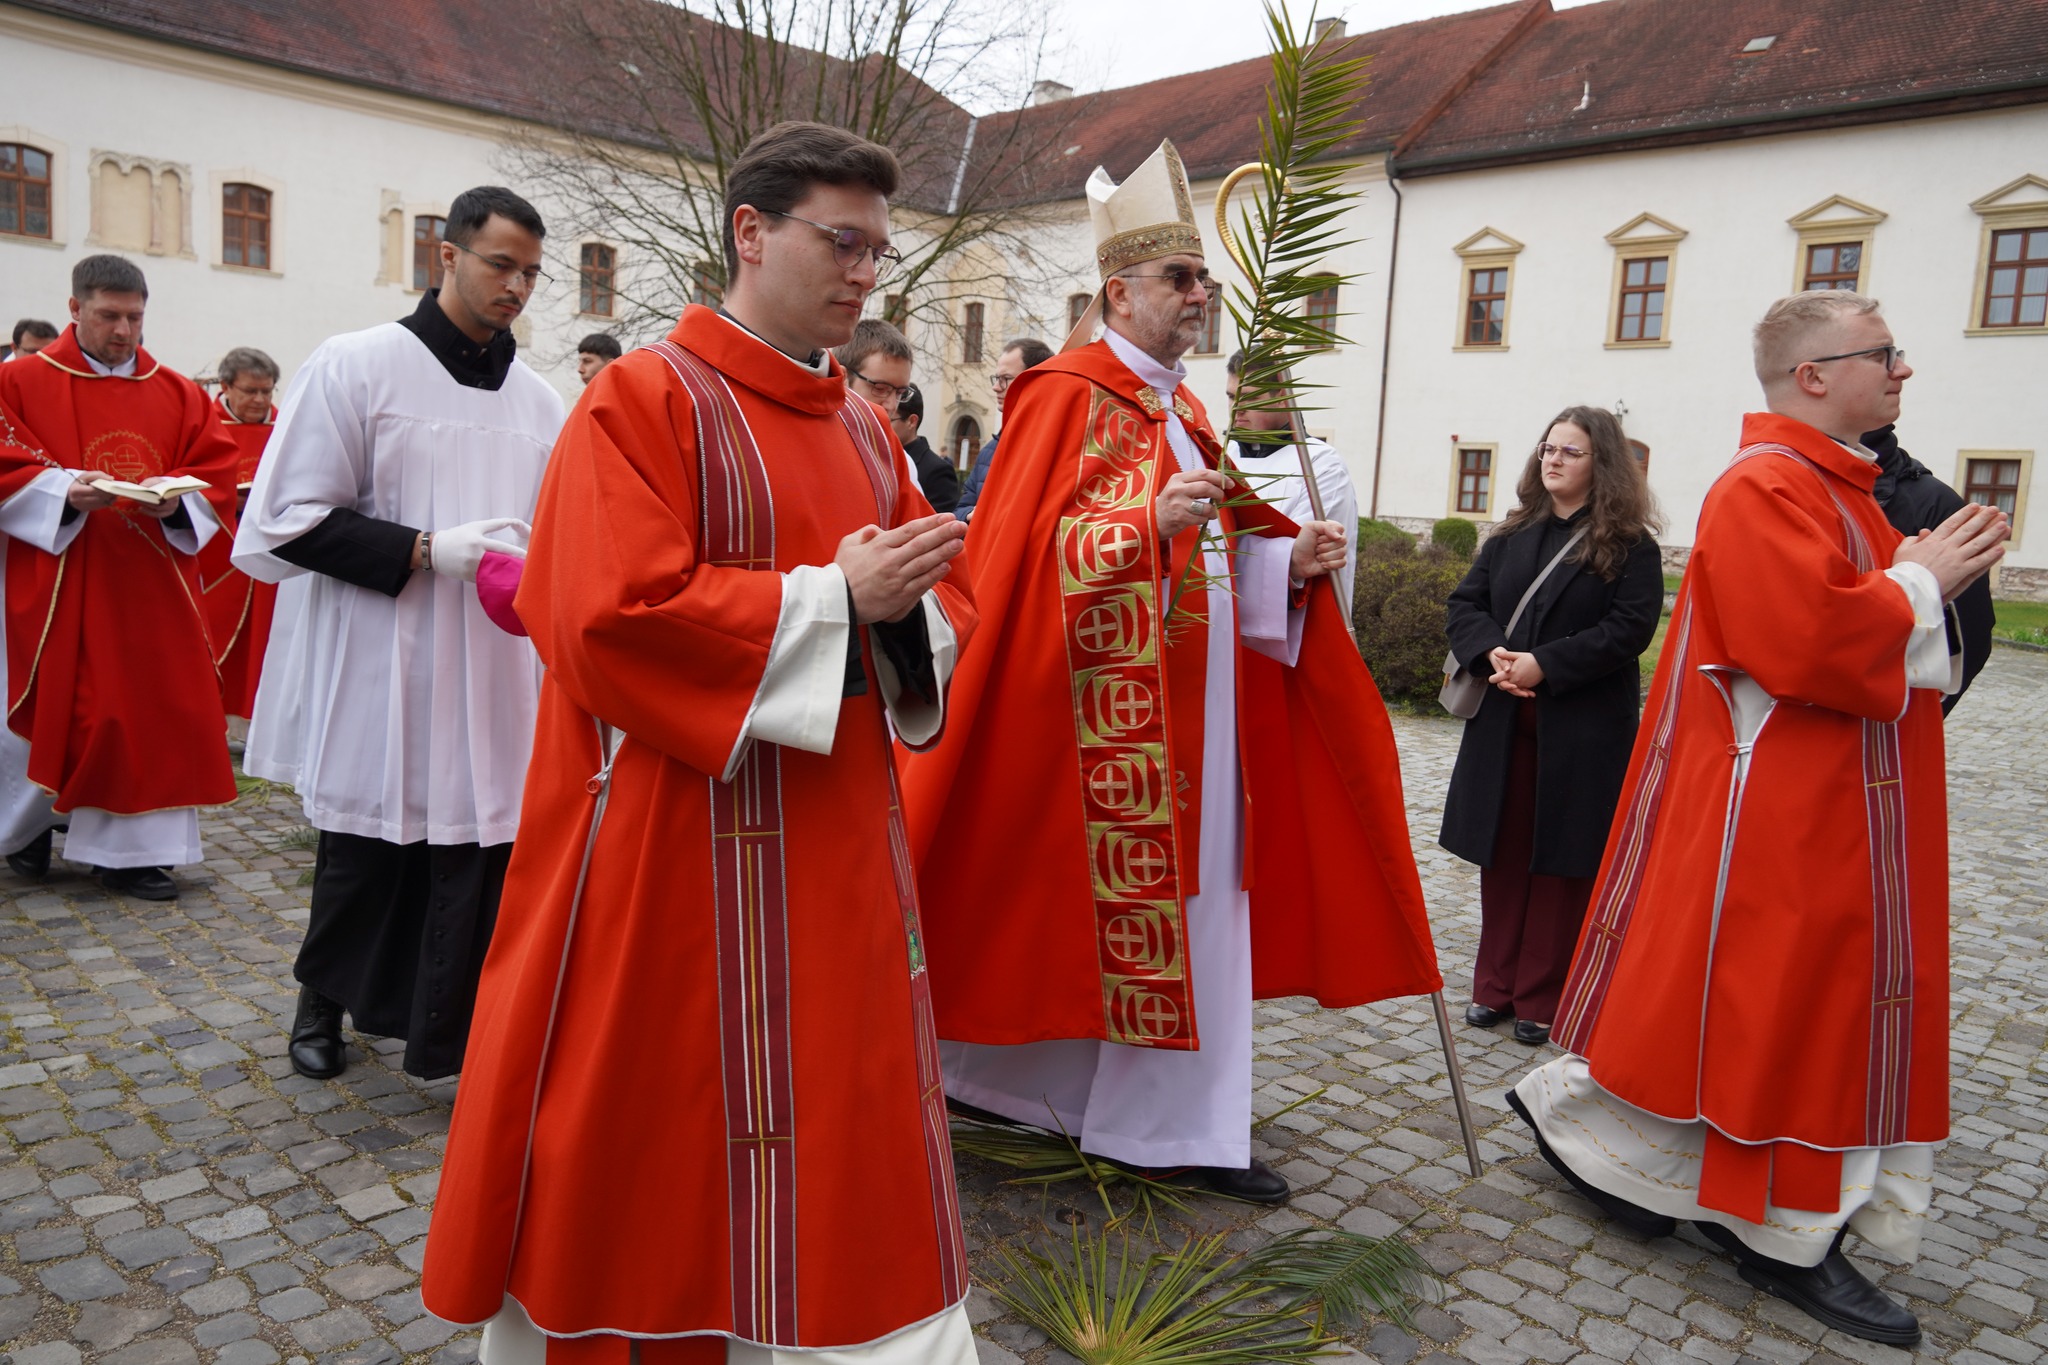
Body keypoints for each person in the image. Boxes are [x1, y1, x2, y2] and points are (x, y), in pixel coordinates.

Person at [421, 122, 979, 1364]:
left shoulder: (865, 431)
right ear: (750, 232)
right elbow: (599, 616)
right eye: (841, 243)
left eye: (877, 253)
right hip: (673, 851)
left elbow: (946, 597)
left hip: (834, 853)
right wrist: (831, 600)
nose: (863, 274)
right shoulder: (644, 398)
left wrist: (894, 609)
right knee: (656, 1134)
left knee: (836, 1129)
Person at [900, 138, 1441, 1204]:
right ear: (1118, 291)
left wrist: (1287, 561)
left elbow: (1218, 553)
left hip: (1197, 717)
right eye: (1179, 277)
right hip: (1098, 725)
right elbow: (1014, 559)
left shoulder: (1185, 413)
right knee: (1101, 913)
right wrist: (1140, 525)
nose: (1199, 296)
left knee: (1193, 914)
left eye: (1202, 279)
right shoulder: (1062, 395)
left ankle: (1106, 1105)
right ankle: (1124, 1116)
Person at [1512, 291, 2007, 1346]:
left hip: (1843, 794)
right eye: (1883, 353)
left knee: (1787, 1005)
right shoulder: (1764, 485)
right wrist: (1919, 583)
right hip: (1785, 804)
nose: (1903, 370)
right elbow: (1800, 643)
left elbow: (1891, 633)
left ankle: (1641, 1166)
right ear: (1813, 376)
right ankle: (1779, 1230)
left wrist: (1935, 587)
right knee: (1786, 1006)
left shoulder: (1842, 484)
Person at [232, 186, 566, 1082]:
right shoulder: (357, 366)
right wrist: (425, 549)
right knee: (367, 844)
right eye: (501, 264)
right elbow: (287, 519)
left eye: (532, 273)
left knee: (477, 849)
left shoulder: (542, 404)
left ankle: (451, 1028)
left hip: (493, 664)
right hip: (386, 652)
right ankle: (320, 1002)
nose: (516, 286)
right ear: (446, 255)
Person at [0, 255, 241, 900]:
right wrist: (60, 492)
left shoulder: (178, 391)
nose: (124, 331)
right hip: (60, 575)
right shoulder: (19, 381)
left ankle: (133, 854)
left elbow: (215, 472)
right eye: (109, 316)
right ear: (75, 309)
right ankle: (30, 828)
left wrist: (177, 502)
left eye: (135, 317)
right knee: (69, 705)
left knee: (155, 707)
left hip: (154, 583)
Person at [1439, 406, 1662, 1047]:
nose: (1554, 459)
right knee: (1503, 856)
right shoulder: (1512, 533)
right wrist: (1492, 654)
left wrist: (1546, 664)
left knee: (1562, 864)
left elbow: (1629, 630)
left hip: (1582, 731)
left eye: (1570, 451)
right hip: (1503, 722)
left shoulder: (1631, 546)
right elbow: (1465, 604)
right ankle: (1494, 985)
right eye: (1548, 448)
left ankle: (1541, 995)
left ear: (1602, 464)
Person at [1864, 423, 1996, 714]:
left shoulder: (1931, 502)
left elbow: (1970, 636)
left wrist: (1917, 719)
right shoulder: (1784, 481)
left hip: (1892, 716)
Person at [1223, 349, 1358, 614]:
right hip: (1222, 615)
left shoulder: (1319, 463)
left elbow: (1305, 558)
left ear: (1283, 398)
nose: (1237, 409)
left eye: (1251, 397)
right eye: (1231, 397)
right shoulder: (1224, 457)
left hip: (1292, 619)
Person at [199, 346, 281, 723]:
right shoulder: (204, 426)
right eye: (251, 391)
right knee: (212, 638)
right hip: (218, 552)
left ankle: (255, 724)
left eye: (267, 391)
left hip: (270, 553)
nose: (260, 400)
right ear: (226, 386)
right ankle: (212, 720)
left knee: (265, 639)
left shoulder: (285, 427)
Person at [953, 336, 1050, 519]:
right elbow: (960, 510)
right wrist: (972, 515)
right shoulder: (989, 450)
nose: (996, 387)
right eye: (997, 379)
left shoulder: (1051, 447)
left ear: (1035, 381)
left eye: (1006, 378)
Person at [892, 384, 959, 512]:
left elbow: (939, 520)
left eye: (887, 419)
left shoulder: (937, 471)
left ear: (911, 421)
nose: (879, 424)